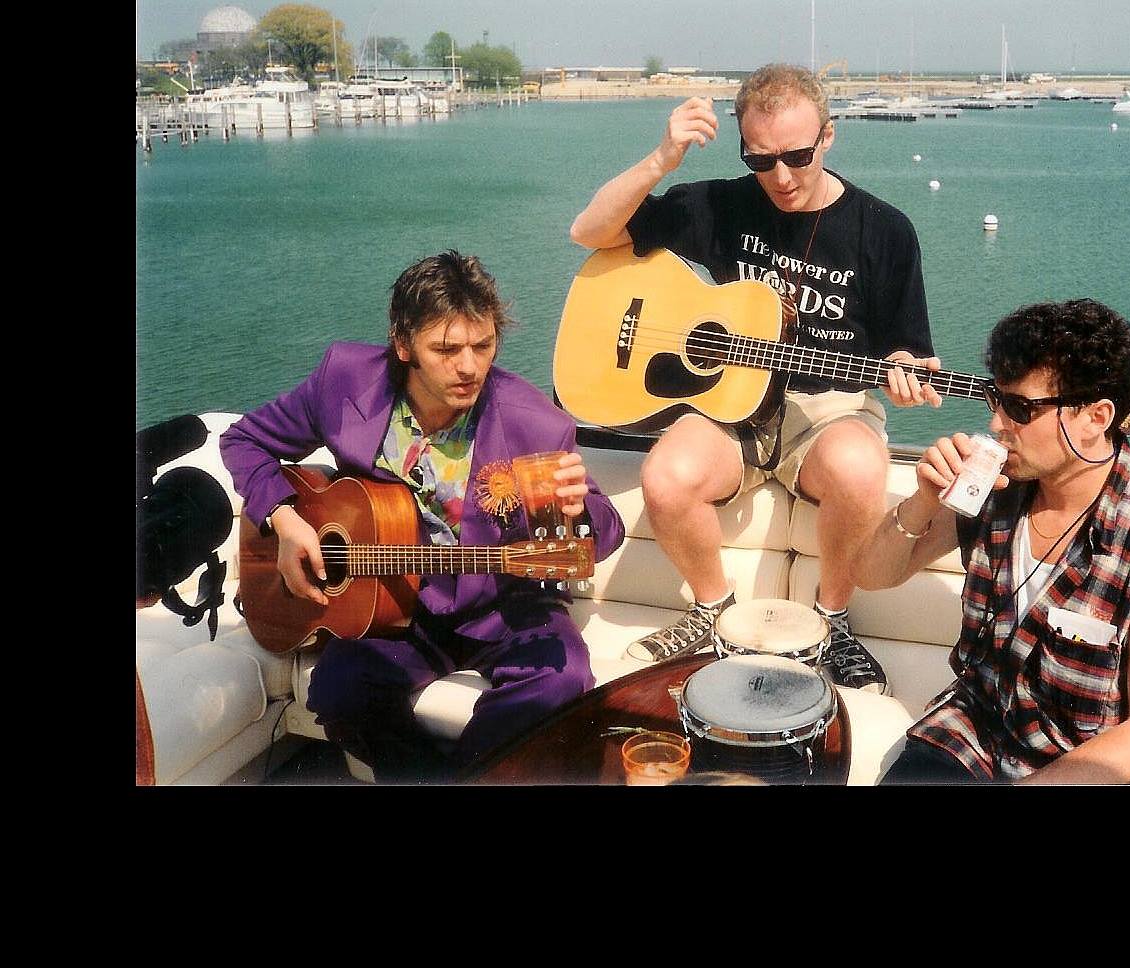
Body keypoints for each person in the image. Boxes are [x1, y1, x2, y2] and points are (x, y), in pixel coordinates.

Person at [569, 63, 940, 695]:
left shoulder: (884, 230)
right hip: (728, 401)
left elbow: (906, 351)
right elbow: (589, 232)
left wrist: (907, 372)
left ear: (828, 136)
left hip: (826, 406)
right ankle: (713, 611)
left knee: (859, 467)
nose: (782, 177)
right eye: (761, 160)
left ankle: (832, 620)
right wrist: (663, 158)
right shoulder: (723, 204)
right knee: (666, 476)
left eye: (797, 156)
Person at [221, 251, 625, 782]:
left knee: (562, 681)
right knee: (338, 688)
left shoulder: (534, 423)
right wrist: (284, 518)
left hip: (503, 605)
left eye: (483, 345)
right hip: (393, 605)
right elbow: (244, 441)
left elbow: (605, 529)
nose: (469, 367)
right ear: (403, 343)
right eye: (446, 349)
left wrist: (579, 512)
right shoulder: (345, 379)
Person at [854, 299, 1130, 784]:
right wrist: (923, 501)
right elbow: (872, 575)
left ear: (1096, 417)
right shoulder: (994, 486)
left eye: (1020, 409)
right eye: (996, 399)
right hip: (979, 732)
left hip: (1096, 764)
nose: (997, 424)